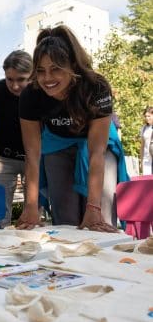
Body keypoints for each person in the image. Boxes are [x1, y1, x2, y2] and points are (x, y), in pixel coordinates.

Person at [17, 25, 129, 233]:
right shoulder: (30, 94)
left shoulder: (96, 86)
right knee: (65, 219)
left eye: (56, 69)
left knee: (100, 219)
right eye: (41, 71)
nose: (47, 78)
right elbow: (32, 154)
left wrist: (93, 208)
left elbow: (97, 152)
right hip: (56, 143)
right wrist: (31, 205)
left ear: (72, 66)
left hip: (96, 144)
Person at [0, 50, 32, 228]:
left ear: (31, 76)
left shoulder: (39, 92)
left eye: (21, 79)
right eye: (10, 79)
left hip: (32, 159)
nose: (15, 86)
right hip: (2, 158)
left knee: (33, 214)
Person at [140, 106, 153, 175]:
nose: (147, 118)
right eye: (146, 116)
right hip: (146, 159)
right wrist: (141, 160)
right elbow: (142, 146)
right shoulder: (144, 128)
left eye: (149, 116)